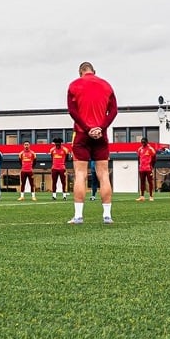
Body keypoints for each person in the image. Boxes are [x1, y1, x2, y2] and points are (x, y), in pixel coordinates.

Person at [67, 61, 118, 224]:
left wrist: (87, 128)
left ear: (80, 72)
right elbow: (114, 111)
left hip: (82, 134)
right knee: (103, 174)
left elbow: (72, 111)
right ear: (93, 71)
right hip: (100, 135)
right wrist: (101, 128)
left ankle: (78, 216)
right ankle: (107, 215)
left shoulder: (74, 85)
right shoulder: (106, 85)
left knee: (80, 174)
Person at [136, 137, 158, 201]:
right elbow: (138, 158)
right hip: (141, 169)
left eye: (144, 142)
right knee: (142, 182)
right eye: (142, 142)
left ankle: (151, 196)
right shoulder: (139, 149)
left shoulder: (151, 149)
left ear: (147, 142)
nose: (142, 143)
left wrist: (152, 166)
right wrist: (140, 165)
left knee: (150, 182)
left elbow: (154, 159)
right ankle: (142, 196)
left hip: (148, 169)